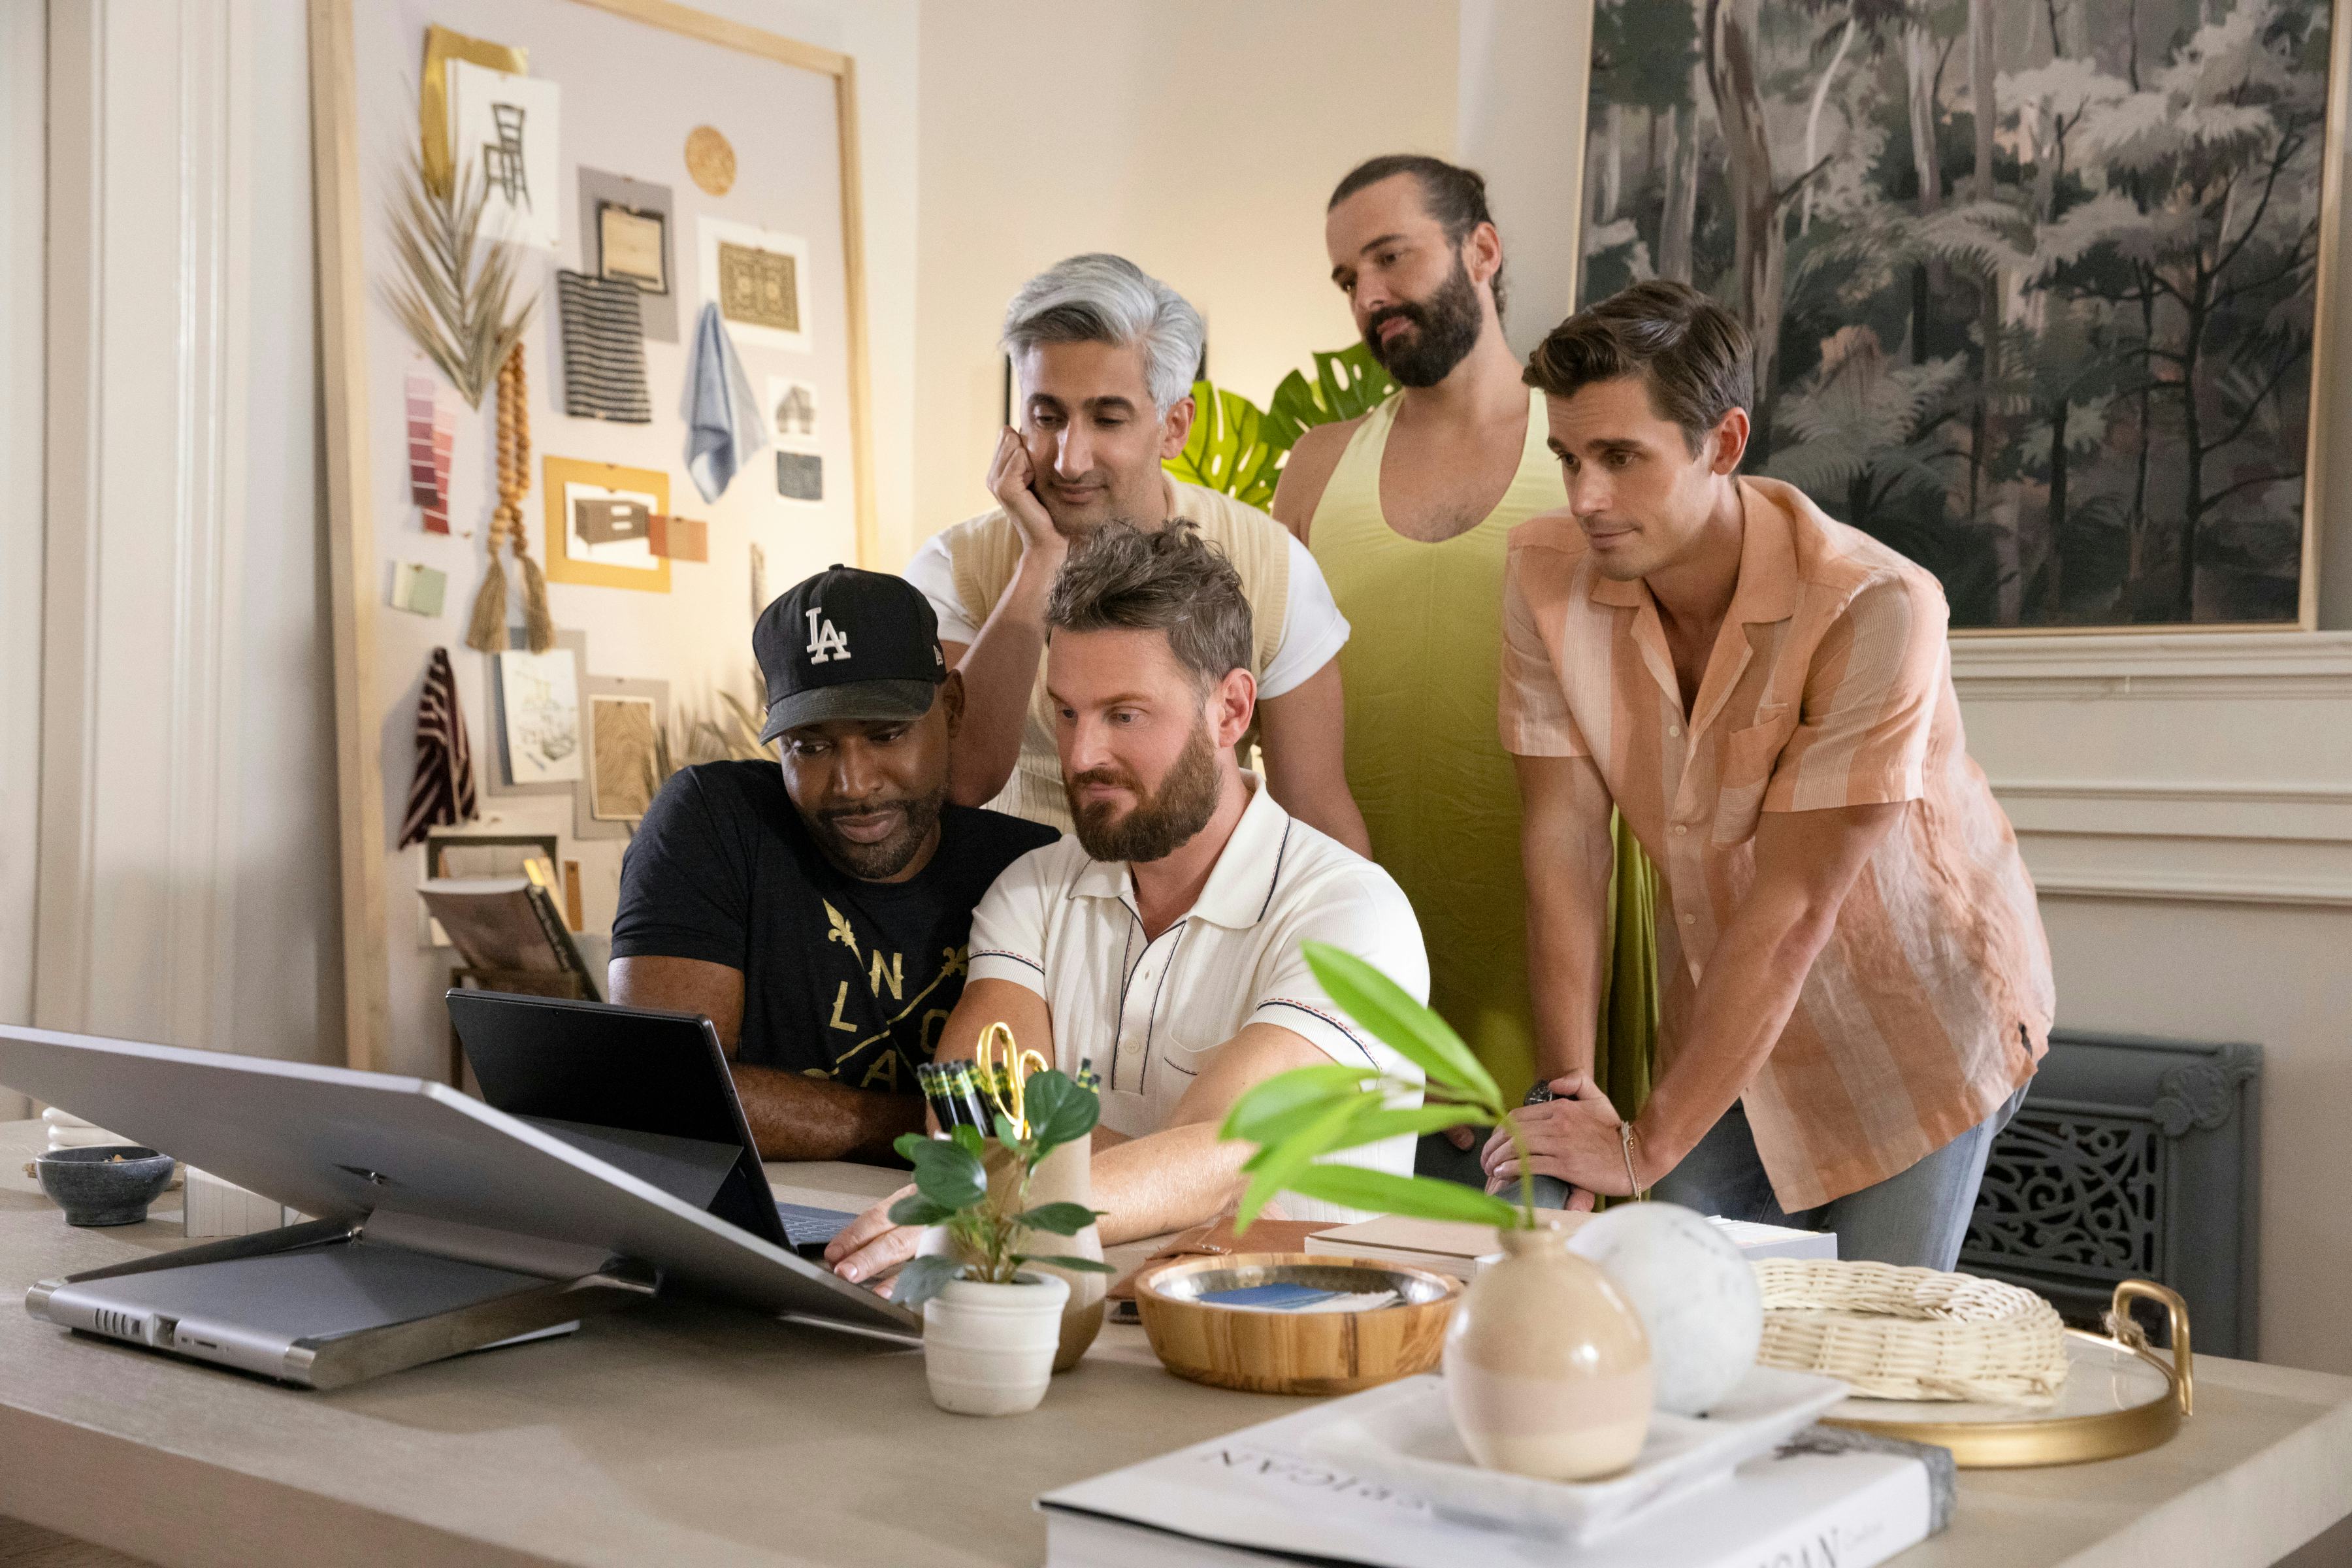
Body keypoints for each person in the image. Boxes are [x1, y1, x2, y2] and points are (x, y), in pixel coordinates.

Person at [1485, 281, 2053, 1271]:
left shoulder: (1878, 605)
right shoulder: (1543, 574)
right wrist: (1567, 1095)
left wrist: (1643, 1146)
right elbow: (1564, 846)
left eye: (1622, 458)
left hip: (1913, 1030)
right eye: (1569, 458)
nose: (1585, 499)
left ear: (1724, 442)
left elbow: (1794, 908)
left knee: (1867, 1361)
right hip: (1723, 1030)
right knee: (1684, 1328)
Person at [826, 523, 1428, 1285]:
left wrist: (1009, 1190)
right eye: (1069, 712)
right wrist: (1164, 1168)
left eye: (1124, 715)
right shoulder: (1032, 888)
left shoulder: (1351, 915)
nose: (1082, 757)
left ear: (1232, 711)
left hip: (1301, 1350)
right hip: (1079, 1319)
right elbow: (968, 1115)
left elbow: (1222, 1154)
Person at [1271, 154, 1658, 1162]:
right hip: (1359, 953)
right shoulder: (1319, 464)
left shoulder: (1587, 453)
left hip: (1548, 959)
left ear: (1482, 250)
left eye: (1391, 257)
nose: (1369, 296)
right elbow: (1267, 699)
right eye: (1348, 278)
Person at [903, 252, 1370, 853]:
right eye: (1047, 417)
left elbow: (1317, 813)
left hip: (1200, 922)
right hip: (1001, 906)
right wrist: (1041, 559)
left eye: (1108, 419)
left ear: (1174, 426)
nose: (1069, 460)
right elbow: (959, 780)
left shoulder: (1274, 569)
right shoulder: (953, 569)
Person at [609, 566, 1056, 1162]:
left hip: (963, 1228)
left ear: (951, 709)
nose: (853, 784)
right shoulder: (714, 821)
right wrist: (926, 1125)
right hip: (754, 1223)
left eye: (887, 734)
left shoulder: (1029, 867)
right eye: (811, 746)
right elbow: (661, 1084)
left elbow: (1043, 1117)